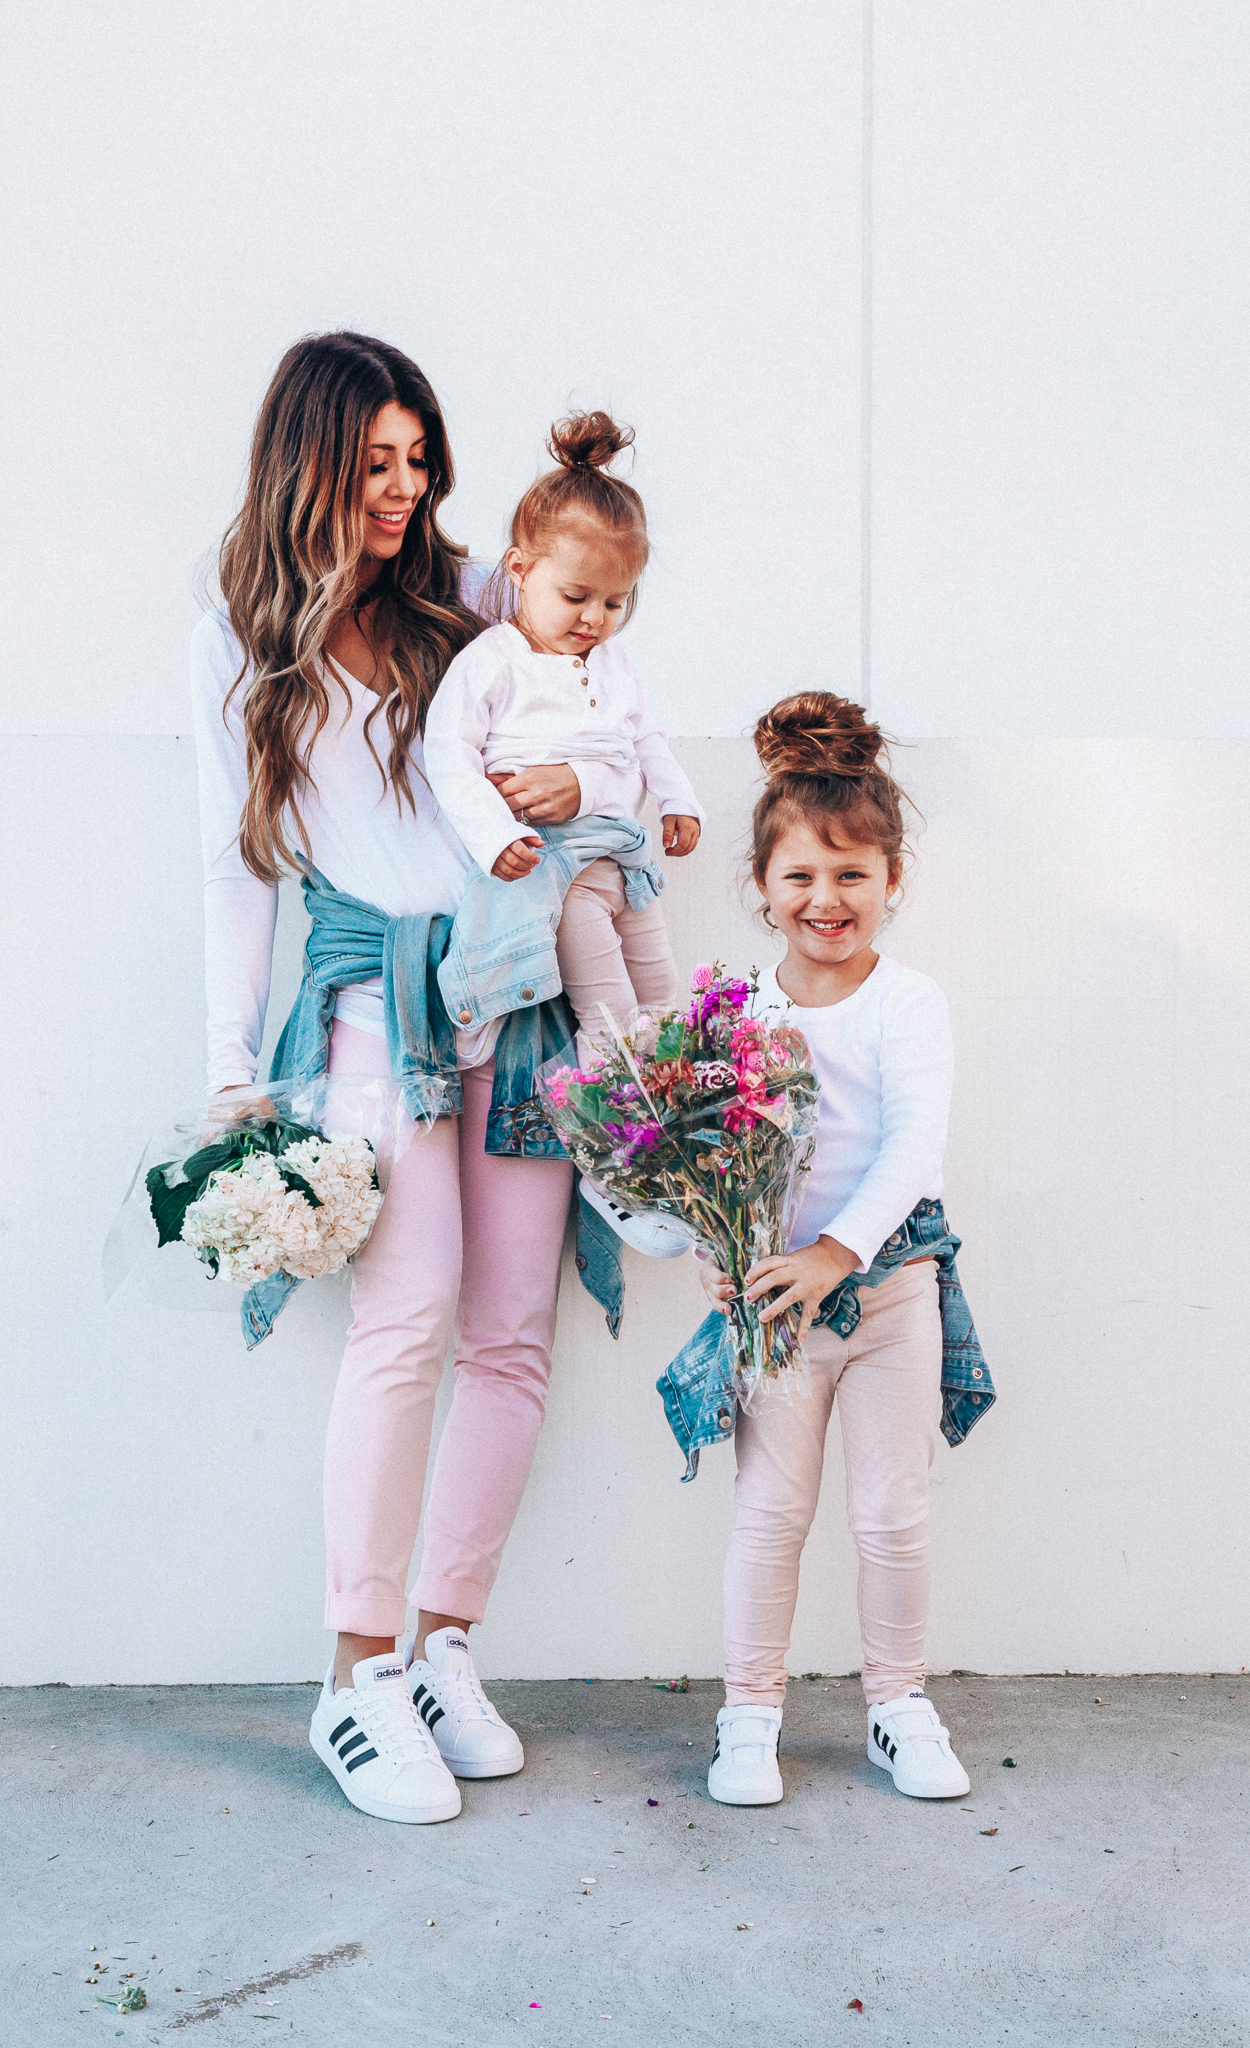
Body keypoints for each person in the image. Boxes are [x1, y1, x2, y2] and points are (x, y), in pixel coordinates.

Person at [190, 332, 590, 1826]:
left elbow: (596, 706)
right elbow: (234, 866)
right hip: (374, 1001)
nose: (402, 488)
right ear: (308, 459)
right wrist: (233, 1073)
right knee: (406, 1316)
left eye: (418, 460)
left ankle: (442, 1649)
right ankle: (353, 1676)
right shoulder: (239, 631)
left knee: (510, 1334)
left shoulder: (471, 593)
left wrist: (583, 786)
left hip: (519, 989)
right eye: (374, 462)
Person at [696, 692, 973, 1807]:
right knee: (769, 1513)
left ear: (892, 879)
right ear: (762, 887)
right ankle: (747, 1714)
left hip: (891, 1293)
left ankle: (896, 1703)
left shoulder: (906, 1003)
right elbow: (703, 1151)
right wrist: (719, 1244)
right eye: (801, 875)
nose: (826, 898)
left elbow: (912, 1142)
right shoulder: (736, 1012)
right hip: (776, 1309)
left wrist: (836, 1256)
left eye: (852, 874)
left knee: (888, 1512)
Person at [423, 410, 702, 1054]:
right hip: (556, 871)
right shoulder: (492, 661)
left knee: (662, 997)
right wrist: (494, 835)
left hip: (625, 859)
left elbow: (645, 739)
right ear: (519, 569)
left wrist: (679, 800)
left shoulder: (613, 662)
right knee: (608, 1013)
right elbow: (449, 754)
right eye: (576, 595)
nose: (594, 619)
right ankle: (614, 1114)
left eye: (614, 602)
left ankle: (680, 1102)